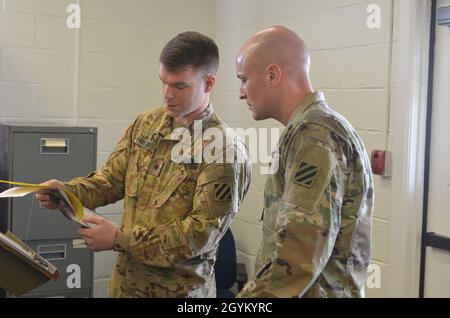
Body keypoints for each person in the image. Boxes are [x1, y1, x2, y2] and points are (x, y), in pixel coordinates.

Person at [36, 31, 251, 298]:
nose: (167, 94)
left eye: (179, 86)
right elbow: (111, 181)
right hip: (125, 287)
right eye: (163, 82)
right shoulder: (147, 124)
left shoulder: (222, 149)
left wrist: (119, 239)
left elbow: (199, 235)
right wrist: (68, 192)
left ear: (208, 83)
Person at [235, 26, 374, 298]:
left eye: (243, 79)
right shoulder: (308, 130)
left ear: (272, 75)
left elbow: (297, 257)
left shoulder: (315, 136)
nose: (241, 93)